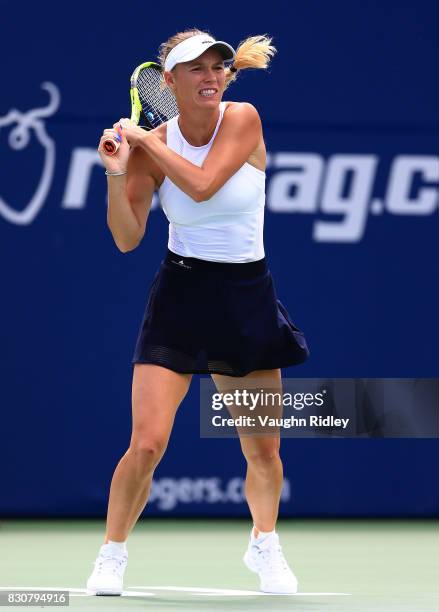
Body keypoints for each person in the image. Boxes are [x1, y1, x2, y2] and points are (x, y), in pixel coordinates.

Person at [87, 29, 309, 596]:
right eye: (196, 69)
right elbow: (127, 236)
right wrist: (118, 171)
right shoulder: (152, 145)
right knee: (147, 443)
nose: (211, 76)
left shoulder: (244, 119)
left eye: (219, 67)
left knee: (263, 449)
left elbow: (206, 185)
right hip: (180, 297)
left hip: (246, 296)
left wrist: (146, 142)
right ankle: (111, 553)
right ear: (169, 81)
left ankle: (264, 542)